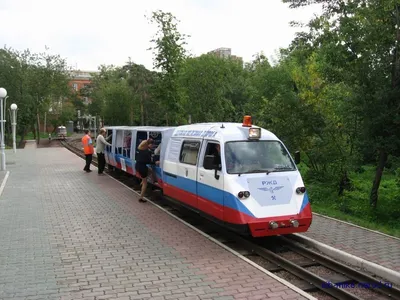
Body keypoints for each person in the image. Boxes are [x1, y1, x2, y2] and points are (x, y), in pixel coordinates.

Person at [135, 138, 156, 203]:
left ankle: (143, 181)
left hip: (137, 165)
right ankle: (141, 198)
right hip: (142, 167)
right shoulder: (147, 151)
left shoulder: (140, 149)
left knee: (150, 171)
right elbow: (148, 161)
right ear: (149, 144)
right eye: (152, 145)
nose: (153, 146)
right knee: (145, 183)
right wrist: (155, 162)